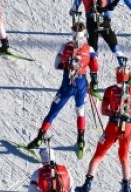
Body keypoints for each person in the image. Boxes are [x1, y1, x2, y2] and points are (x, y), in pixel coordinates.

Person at [24, 29, 99, 158]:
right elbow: (95, 66)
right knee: (80, 110)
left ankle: (40, 137)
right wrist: (94, 81)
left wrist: (66, 64)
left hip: (67, 85)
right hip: (81, 84)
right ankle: (81, 140)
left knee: (53, 111)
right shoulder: (89, 49)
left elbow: (56, 64)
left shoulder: (65, 46)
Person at [76, 64, 131, 192]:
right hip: (128, 127)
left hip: (112, 126)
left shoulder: (110, 90)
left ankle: (87, 185)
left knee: (98, 155)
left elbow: (104, 111)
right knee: (124, 157)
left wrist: (113, 111)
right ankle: (126, 187)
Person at [69, 0, 125, 83]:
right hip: (104, 20)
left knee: (93, 50)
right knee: (113, 44)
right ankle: (124, 69)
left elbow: (75, 7)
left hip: (91, 23)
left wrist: (73, 11)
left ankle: (94, 79)